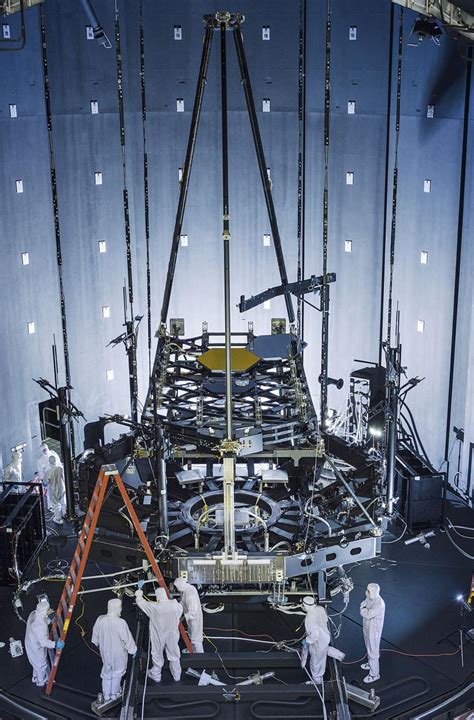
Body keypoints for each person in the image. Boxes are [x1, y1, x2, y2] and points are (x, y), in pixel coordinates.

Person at [91, 598, 137, 703]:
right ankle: (114, 694)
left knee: (107, 671)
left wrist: (99, 644)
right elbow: (127, 639)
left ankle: (106, 695)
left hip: (105, 652)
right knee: (117, 672)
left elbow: (95, 638)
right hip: (119, 653)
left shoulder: (100, 619)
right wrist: (133, 650)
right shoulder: (121, 622)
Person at [135, 584, 182, 682]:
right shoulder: (174, 604)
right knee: (174, 653)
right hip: (172, 634)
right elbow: (180, 612)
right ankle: (177, 675)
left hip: (158, 635)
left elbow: (141, 602)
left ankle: (156, 675)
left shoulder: (154, 607)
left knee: (157, 653)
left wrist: (139, 593)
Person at [25, 600, 62, 687]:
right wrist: (56, 644)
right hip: (35, 646)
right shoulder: (40, 626)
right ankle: (41, 682)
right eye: (48, 609)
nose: (50, 610)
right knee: (40, 664)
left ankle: (35, 677)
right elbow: (44, 642)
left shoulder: (34, 613)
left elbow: (43, 620)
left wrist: (49, 620)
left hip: (30, 641)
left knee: (35, 663)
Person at [301, 597, 331, 684]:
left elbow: (314, 636)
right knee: (322, 658)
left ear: (305, 605)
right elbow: (325, 620)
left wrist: (306, 641)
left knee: (315, 661)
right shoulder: (320, 608)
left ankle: (317, 681)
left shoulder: (309, 618)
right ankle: (320, 676)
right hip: (325, 638)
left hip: (317, 643)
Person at [360, 583, 385, 683]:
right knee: (368, 647)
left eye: (369, 591)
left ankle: (374, 674)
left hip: (374, 630)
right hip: (367, 626)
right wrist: (364, 609)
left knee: (373, 651)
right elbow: (364, 604)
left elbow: (367, 614)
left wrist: (363, 609)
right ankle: (370, 664)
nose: (367, 592)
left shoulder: (379, 604)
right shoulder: (370, 598)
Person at [174, 577, 204, 653]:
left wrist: (184, 617)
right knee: (192, 635)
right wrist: (174, 605)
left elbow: (193, 611)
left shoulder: (190, 594)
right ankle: (192, 650)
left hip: (194, 618)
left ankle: (201, 660)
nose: (177, 589)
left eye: (177, 587)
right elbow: (183, 602)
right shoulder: (187, 590)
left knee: (196, 639)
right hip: (191, 619)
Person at [44, 455, 66, 524]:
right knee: (63, 502)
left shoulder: (48, 472)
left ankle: (58, 519)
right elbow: (64, 478)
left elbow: (45, 482)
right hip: (62, 488)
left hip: (54, 489)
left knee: (56, 505)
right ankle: (65, 514)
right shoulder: (60, 468)